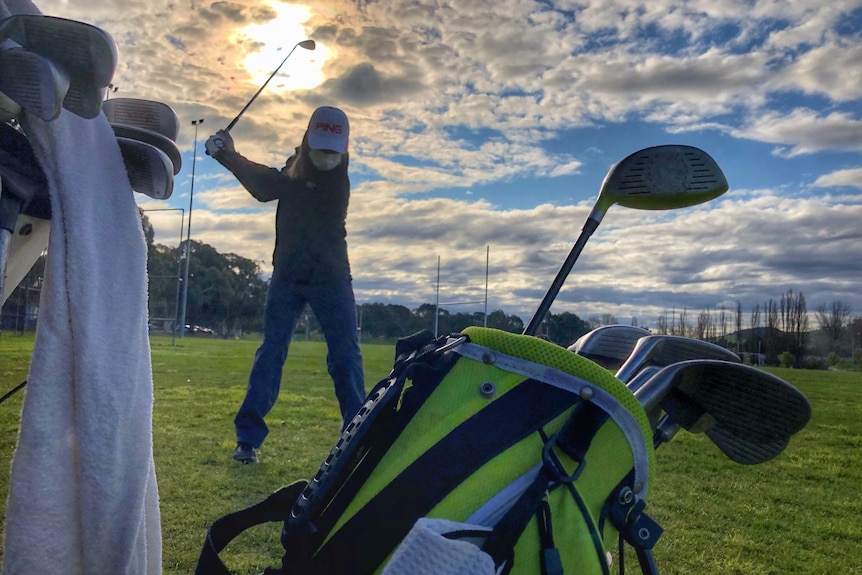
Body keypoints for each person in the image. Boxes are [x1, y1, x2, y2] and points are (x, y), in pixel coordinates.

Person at [206, 106, 365, 464]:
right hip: (288, 275)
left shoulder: (333, 179)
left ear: (343, 149)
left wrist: (227, 155)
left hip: (331, 275)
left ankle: (357, 433)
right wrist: (228, 155)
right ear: (308, 141)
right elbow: (271, 184)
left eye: (332, 151)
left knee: (345, 356)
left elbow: (268, 187)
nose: (326, 156)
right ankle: (248, 440)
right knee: (272, 353)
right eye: (320, 147)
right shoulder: (297, 166)